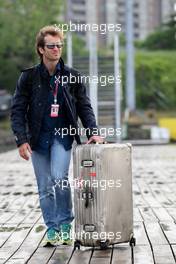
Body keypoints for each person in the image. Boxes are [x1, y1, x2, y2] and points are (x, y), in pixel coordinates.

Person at [11, 25, 103, 247]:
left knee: (59, 178)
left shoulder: (72, 76)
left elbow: (85, 107)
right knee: (44, 185)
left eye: (59, 45)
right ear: (41, 49)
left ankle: (65, 223)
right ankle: (51, 228)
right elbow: (17, 110)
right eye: (51, 46)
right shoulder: (29, 77)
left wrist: (93, 132)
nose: (56, 49)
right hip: (37, 139)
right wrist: (21, 140)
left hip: (62, 137)